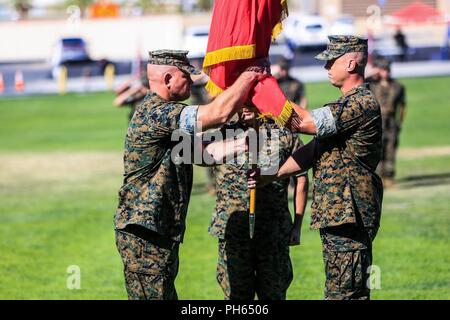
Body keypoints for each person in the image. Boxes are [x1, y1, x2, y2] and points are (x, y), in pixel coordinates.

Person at [114, 49, 265, 300]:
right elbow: (218, 114)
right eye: (187, 75)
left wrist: (242, 144)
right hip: (144, 231)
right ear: (168, 79)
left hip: (158, 229)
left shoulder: (166, 117)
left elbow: (203, 154)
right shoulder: (156, 112)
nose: (192, 81)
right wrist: (250, 74)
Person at [248, 35, 383, 300]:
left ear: (352, 63)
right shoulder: (345, 105)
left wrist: (264, 89)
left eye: (331, 61)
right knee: (341, 290)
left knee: (345, 294)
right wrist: (271, 176)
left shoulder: (360, 103)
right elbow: (312, 151)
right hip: (339, 213)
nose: (326, 67)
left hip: (350, 213)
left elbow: (305, 123)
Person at [210, 106, 309, 300]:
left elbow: (302, 178)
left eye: (251, 101)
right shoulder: (223, 135)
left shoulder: (283, 135)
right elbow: (194, 153)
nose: (246, 107)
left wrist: (297, 226)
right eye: (242, 101)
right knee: (236, 296)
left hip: (273, 231)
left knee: (273, 294)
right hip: (234, 233)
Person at [369, 57, 406, 188]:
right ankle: (378, 176)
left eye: (387, 69)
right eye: (383, 69)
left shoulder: (398, 86)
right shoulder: (371, 85)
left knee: (391, 148)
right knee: (377, 149)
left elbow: (402, 106)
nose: (386, 72)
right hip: (376, 121)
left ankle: (389, 176)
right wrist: (373, 73)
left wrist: (399, 122)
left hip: (391, 122)